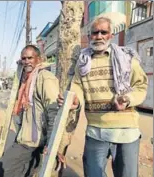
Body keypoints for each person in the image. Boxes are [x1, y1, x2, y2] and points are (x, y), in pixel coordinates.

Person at [57, 16, 148, 177]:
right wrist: (75, 101)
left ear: (110, 35)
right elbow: (77, 86)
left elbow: (141, 86)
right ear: (89, 36)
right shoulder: (83, 62)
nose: (99, 36)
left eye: (103, 32)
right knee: (92, 173)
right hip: (95, 131)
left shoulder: (126, 59)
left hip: (126, 132)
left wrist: (127, 99)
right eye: (94, 32)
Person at [0, 45, 63, 177]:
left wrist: (51, 143)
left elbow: (54, 111)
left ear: (38, 59)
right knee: (26, 171)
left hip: (32, 140)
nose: (27, 61)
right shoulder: (26, 78)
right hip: (25, 135)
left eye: (30, 58)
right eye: (24, 58)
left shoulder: (44, 78)